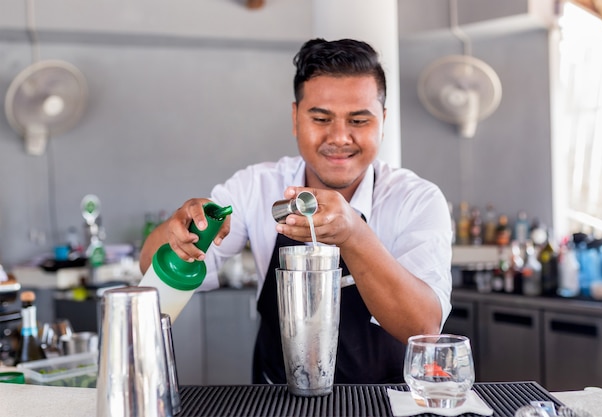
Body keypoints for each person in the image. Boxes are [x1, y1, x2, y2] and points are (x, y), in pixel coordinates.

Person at [140, 38, 453, 384]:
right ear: (295, 118)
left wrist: (353, 233)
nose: (339, 137)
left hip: (384, 401)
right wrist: (181, 232)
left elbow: (424, 327)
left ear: (383, 120)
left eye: (359, 121)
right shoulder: (255, 187)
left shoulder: (417, 200)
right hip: (277, 400)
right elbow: (149, 268)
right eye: (321, 118)